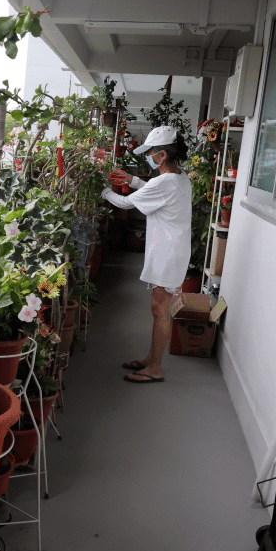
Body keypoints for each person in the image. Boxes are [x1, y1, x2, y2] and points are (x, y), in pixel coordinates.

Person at [101, 125, 192, 383]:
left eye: (151, 152)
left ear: (162, 155)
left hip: (168, 252)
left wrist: (102, 189)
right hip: (172, 249)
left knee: (159, 308)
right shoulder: (180, 177)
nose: (149, 156)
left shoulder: (166, 182)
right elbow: (155, 190)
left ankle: (155, 368)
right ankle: (151, 359)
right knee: (158, 306)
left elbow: (124, 203)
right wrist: (133, 181)